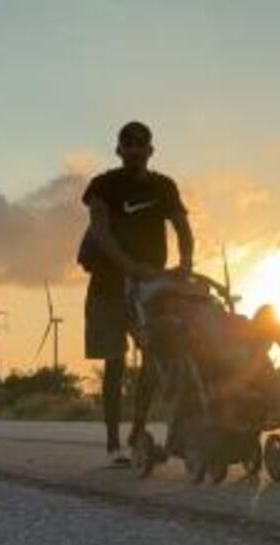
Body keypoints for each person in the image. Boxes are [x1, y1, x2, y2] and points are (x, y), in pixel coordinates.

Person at [81, 121, 194, 466]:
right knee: (114, 362)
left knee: (155, 355)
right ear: (118, 150)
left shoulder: (164, 186)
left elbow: (182, 228)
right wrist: (129, 266)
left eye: (140, 146)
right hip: (108, 285)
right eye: (126, 146)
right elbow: (100, 232)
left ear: (150, 150)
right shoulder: (102, 185)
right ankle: (114, 443)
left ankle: (139, 429)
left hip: (152, 286)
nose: (133, 151)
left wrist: (186, 262)